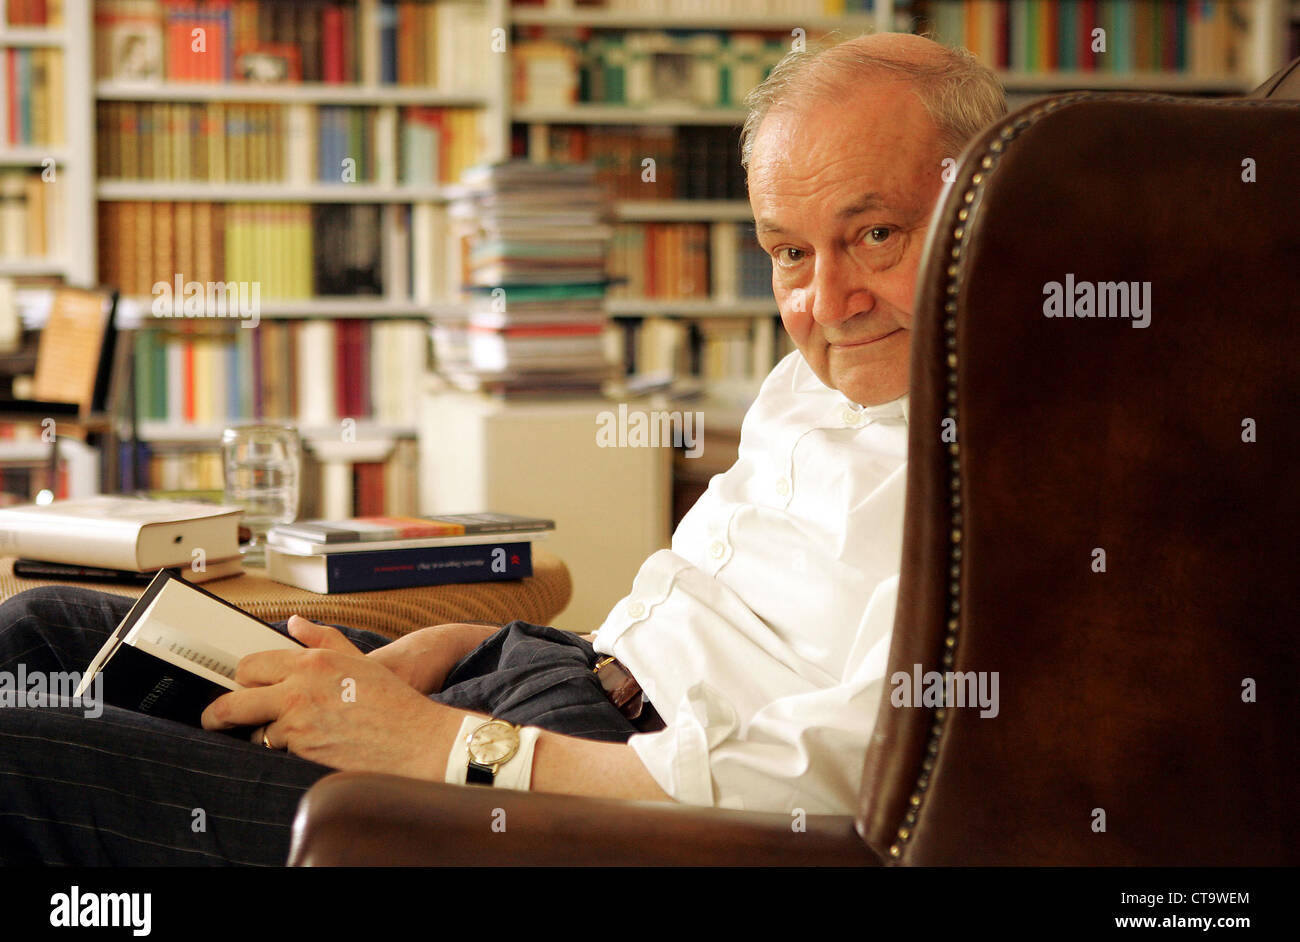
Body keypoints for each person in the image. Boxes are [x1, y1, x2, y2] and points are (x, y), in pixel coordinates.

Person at [0, 33, 1006, 865]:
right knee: (41, 633)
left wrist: (449, 747)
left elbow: (851, 779)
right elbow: (713, 626)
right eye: (789, 251)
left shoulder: (1017, 468)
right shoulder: (818, 377)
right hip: (553, 687)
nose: (826, 303)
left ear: (992, 209)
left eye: (875, 234)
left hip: (588, 804)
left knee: (16, 758)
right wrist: (471, 646)